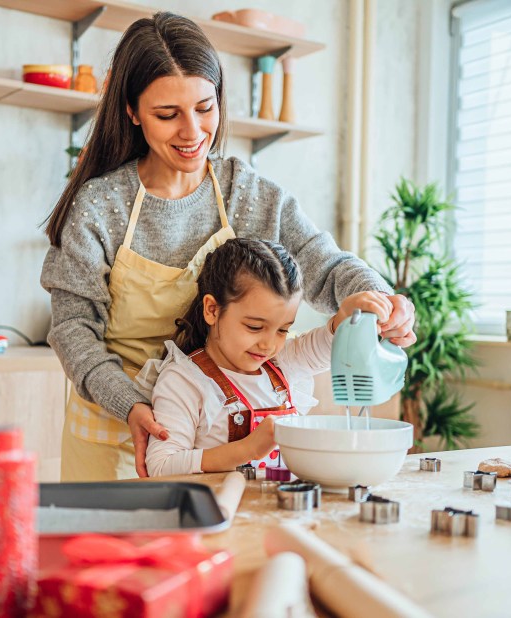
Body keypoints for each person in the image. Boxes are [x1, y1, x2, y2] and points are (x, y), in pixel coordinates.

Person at [41, 12, 415, 482]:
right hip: (113, 433)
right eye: (167, 114)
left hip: (213, 444)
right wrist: (131, 403)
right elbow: (74, 330)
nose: (193, 132)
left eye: (205, 107)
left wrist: (378, 299)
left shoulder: (247, 193)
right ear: (133, 112)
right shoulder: (100, 206)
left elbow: (326, 264)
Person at [139, 238, 393, 477]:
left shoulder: (281, 364)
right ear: (212, 310)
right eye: (254, 327)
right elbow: (161, 467)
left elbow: (327, 343)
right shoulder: (184, 381)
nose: (269, 344)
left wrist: (346, 315)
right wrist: (247, 449)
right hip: (218, 517)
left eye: (283, 329)